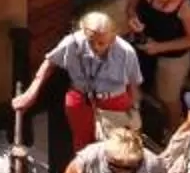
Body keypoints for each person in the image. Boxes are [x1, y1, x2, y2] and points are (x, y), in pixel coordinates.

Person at [14, 9, 142, 150]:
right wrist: (31, 93)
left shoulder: (126, 52)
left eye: (101, 43)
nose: (95, 47)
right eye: (91, 42)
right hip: (81, 99)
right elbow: (50, 63)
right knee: (83, 145)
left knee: (114, 147)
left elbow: (133, 84)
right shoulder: (72, 42)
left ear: (112, 39)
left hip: (114, 102)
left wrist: (134, 110)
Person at [125, 0, 190, 126]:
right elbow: (131, 8)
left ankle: (175, 127)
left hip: (173, 58)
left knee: (169, 98)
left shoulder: (185, 7)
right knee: (149, 87)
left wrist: (159, 47)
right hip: (145, 49)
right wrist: (133, 19)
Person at [62, 122, 160, 173]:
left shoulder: (154, 166)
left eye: (128, 168)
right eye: (114, 165)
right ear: (107, 156)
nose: (121, 171)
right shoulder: (92, 155)